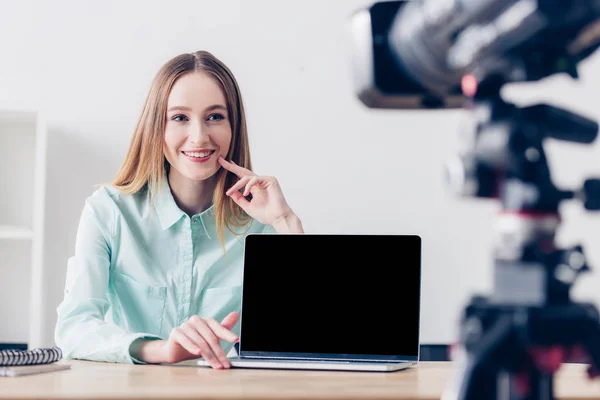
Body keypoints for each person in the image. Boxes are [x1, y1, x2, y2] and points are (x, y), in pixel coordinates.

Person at [54, 50, 304, 369]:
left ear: (234, 127)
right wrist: (160, 350)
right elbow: (74, 329)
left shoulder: (263, 221)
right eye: (180, 118)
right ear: (157, 128)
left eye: (215, 116)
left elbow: (306, 341)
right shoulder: (109, 211)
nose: (199, 137)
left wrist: (285, 221)